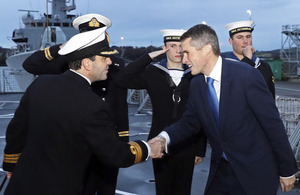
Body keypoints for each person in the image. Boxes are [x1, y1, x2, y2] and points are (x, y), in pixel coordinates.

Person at [3, 26, 163, 195]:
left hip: (22, 186)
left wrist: (11, 165)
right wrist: (148, 148)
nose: (110, 62)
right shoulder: (93, 105)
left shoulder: (40, 84)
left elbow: (16, 131)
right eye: (104, 59)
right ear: (87, 63)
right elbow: (115, 154)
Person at [153, 24, 298, 194]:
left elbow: (272, 124)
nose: (184, 59)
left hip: (254, 174)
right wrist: (163, 138)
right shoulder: (198, 84)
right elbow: (189, 122)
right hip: (221, 172)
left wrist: (287, 169)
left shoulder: (246, 75)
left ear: (207, 49)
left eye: (187, 52)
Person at [22, 14, 128, 195]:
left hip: (106, 137)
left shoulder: (115, 63)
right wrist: (62, 48)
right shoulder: (65, 63)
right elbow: (30, 65)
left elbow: (120, 104)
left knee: (107, 189)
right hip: (76, 141)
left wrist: (123, 138)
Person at [116, 29, 207, 195]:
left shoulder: (195, 74)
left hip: (188, 143)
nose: (178, 51)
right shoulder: (153, 72)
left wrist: (200, 149)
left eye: (182, 46)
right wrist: (149, 57)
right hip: (159, 142)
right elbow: (121, 79)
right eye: (173, 46)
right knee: (163, 189)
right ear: (165, 47)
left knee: (183, 190)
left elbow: (202, 113)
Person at [223, 20, 275, 98]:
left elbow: (270, 96)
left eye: (248, 37)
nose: (245, 41)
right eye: (240, 37)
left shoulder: (263, 66)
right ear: (231, 41)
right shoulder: (224, 66)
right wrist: (247, 59)